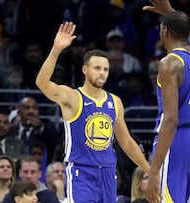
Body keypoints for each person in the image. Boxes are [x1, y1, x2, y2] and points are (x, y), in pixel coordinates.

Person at [35, 22, 150, 202]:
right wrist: (56, 50)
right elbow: (42, 83)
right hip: (81, 172)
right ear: (84, 69)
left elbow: (126, 142)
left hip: (108, 172)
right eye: (97, 68)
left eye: (105, 69)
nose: (102, 73)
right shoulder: (72, 97)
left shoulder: (115, 101)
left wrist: (150, 170)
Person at [142, 0, 190, 202]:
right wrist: (171, 12)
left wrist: (154, 170)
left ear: (164, 31)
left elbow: (171, 119)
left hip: (177, 141)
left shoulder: (169, 63)